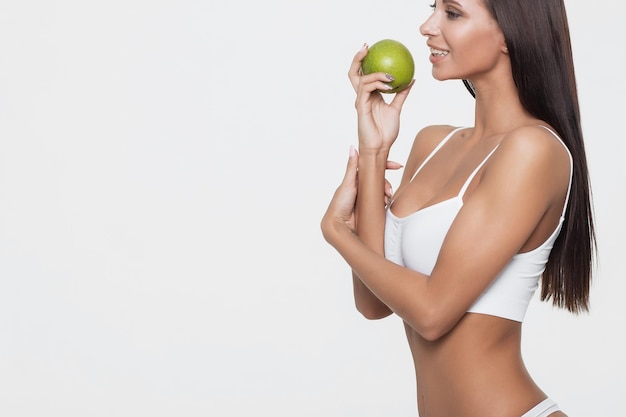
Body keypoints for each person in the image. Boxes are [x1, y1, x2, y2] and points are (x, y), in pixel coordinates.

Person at [320, 0, 596, 416]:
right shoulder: (433, 143)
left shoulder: (533, 150)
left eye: (452, 12)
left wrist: (338, 231)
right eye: (433, 8)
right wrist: (375, 153)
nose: (426, 26)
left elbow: (432, 314)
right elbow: (374, 303)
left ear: (509, 31)